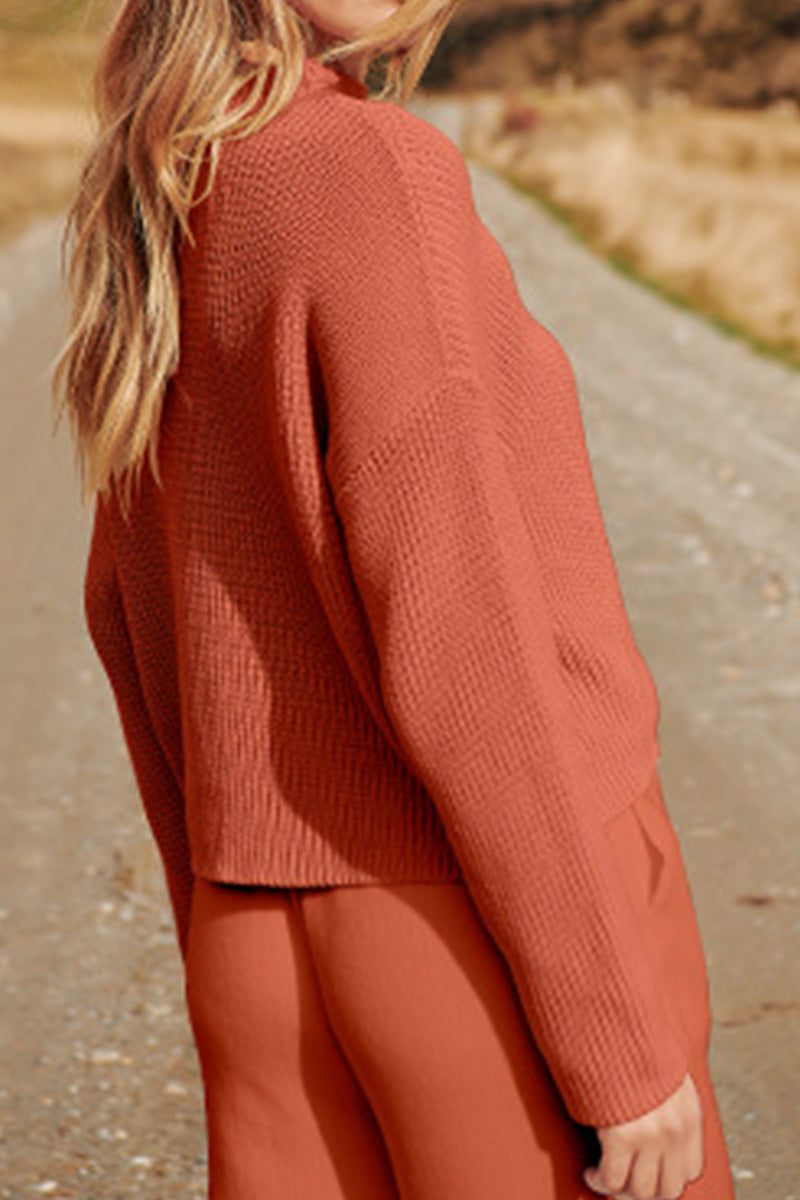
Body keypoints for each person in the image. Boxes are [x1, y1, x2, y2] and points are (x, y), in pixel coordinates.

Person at [52, 0, 737, 1196]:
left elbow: (127, 607)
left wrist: (216, 895)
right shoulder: (369, 166)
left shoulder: (171, 171)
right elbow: (456, 628)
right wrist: (611, 1040)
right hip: (469, 929)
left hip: (256, 946)